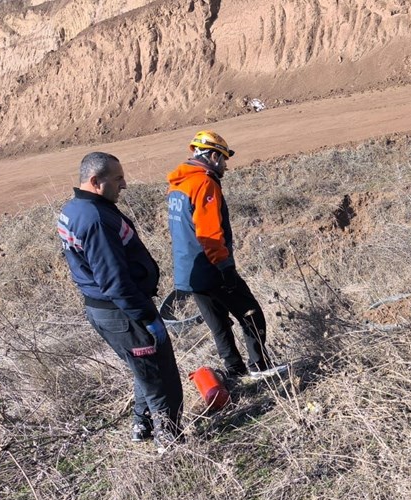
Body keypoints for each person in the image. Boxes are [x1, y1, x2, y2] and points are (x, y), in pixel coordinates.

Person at [57, 152, 183, 452]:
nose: (124, 185)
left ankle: (142, 425)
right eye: (117, 179)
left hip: (109, 311)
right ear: (95, 181)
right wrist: (146, 317)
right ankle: (172, 443)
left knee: (143, 367)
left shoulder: (75, 209)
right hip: (124, 312)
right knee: (160, 378)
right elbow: (114, 281)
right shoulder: (96, 219)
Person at [167, 130, 287, 380]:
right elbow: (209, 232)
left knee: (218, 323)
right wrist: (225, 267)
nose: (225, 165)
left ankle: (235, 371)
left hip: (188, 271)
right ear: (212, 156)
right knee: (250, 312)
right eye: (223, 159)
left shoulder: (178, 185)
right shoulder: (204, 183)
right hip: (211, 267)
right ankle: (260, 367)